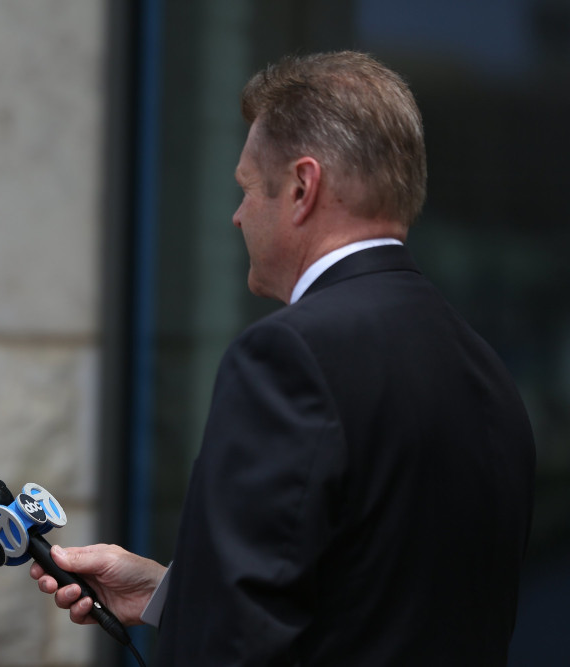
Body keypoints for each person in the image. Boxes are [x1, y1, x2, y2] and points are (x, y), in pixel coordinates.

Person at [32, 51, 536, 665]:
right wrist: (169, 593)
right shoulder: (488, 373)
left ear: (302, 186)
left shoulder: (288, 355)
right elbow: (364, 605)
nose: (237, 214)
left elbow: (236, 643)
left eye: (246, 187)